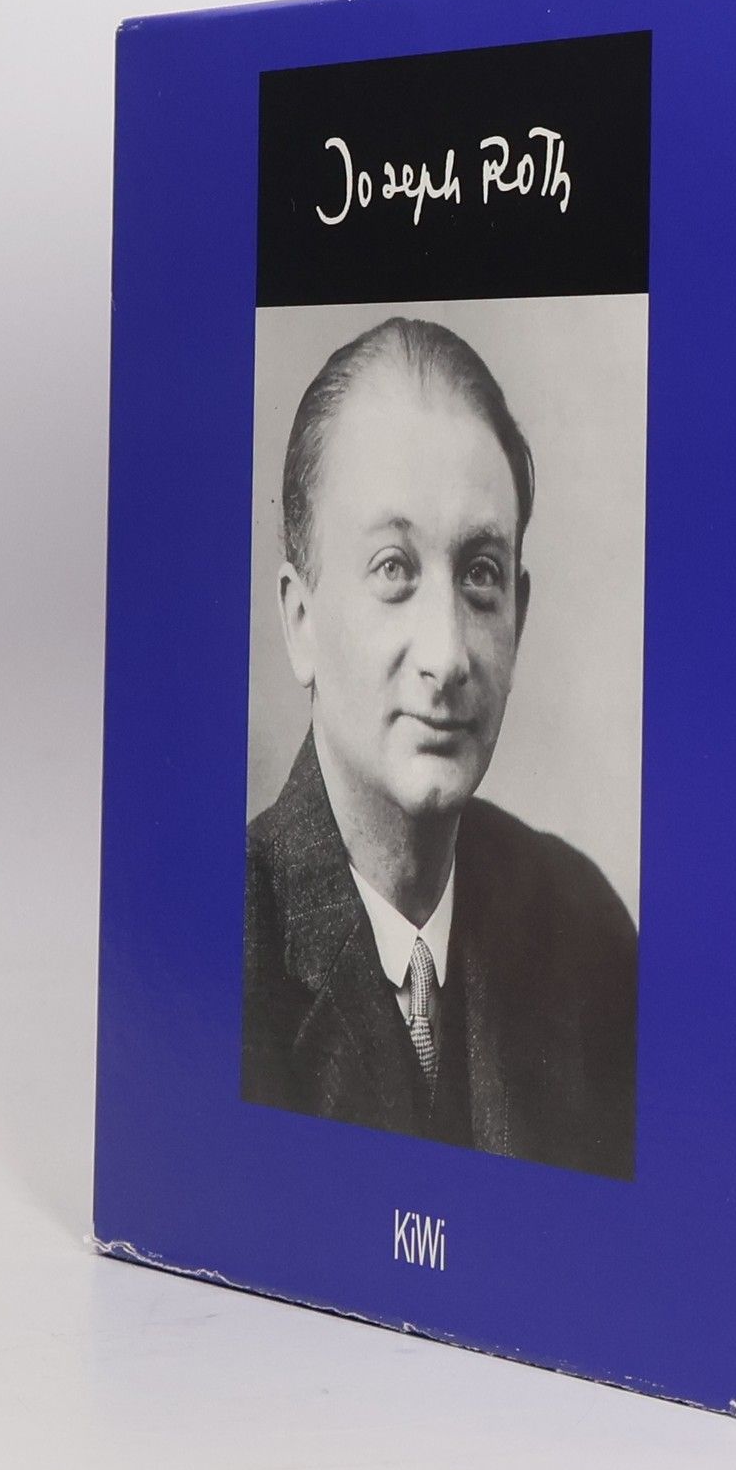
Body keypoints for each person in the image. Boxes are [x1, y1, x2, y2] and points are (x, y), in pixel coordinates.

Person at [242, 317, 636, 1178]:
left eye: (480, 574)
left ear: (518, 619)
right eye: (394, 568)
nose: (449, 655)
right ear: (301, 622)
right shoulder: (226, 957)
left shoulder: (589, 937)